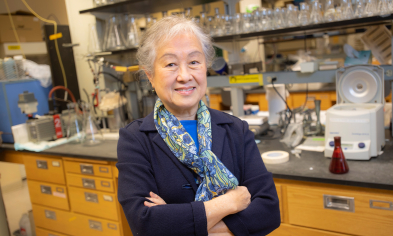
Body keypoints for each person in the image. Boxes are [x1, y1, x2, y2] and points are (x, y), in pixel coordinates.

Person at [117, 16, 280, 236]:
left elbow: (269, 212)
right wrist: (229, 203)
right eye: (171, 64)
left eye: (194, 62)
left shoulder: (236, 129)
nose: (185, 76)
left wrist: (176, 222)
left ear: (205, 68)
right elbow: (145, 225)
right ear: (150, 76)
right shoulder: (136, 139)